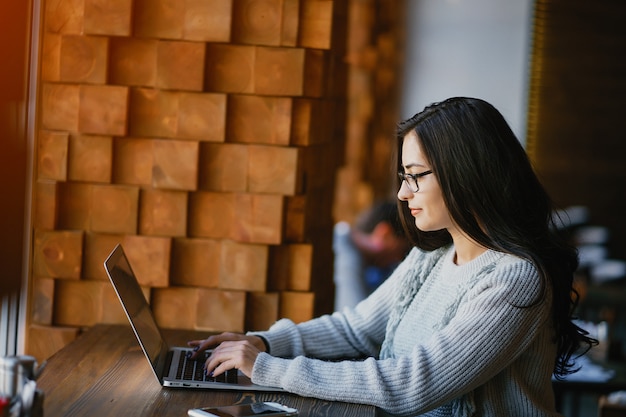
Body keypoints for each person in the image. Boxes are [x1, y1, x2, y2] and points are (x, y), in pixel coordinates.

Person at [188, 97, 596, 416]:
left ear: (466, 173)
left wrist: (266, 368)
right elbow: (356, 330)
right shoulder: (434, 257)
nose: (403, 193)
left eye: (415, 176)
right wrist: (262, 342)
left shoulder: (514, 279)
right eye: (404, 178)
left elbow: (411, 386)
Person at [333, 200, 411, 310]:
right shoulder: (347, 256)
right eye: (402, 252)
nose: (399, 260)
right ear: (385, 234)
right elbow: (354, 318)